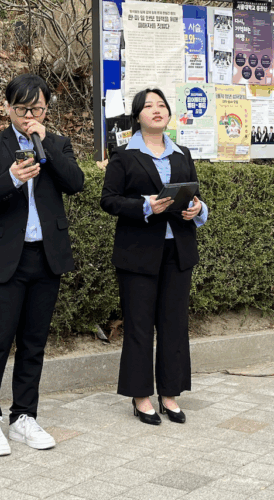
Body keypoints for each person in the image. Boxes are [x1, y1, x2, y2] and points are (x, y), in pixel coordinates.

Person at [0, 73, 84, 455]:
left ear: (47, 110)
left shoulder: (57, 144)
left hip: (45, 258)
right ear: (8, 108)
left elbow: (76, 183)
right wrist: (12, 179)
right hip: (5, 260)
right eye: (22, 109)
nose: (29, 116)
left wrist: (46, 144)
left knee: (34, 343)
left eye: (37, 109)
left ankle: (23, 416)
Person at [100, 88, 208, 425]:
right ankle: (141, 396)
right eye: (148, 106)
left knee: (174, 324)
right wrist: (145, 206)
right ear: (137, 116)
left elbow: (195, 195)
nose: (157, 110)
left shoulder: (182, 154)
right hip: (137, 253)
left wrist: (198, 209)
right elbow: (109, 200)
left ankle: (170, 394)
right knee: (139, 325)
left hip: (178, 250)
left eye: (161, 105)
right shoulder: (123, 155)